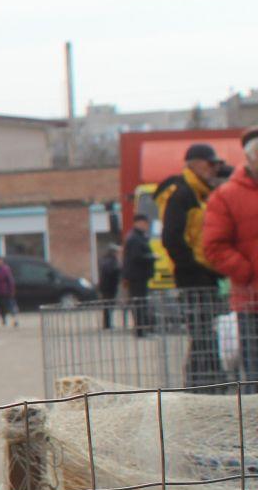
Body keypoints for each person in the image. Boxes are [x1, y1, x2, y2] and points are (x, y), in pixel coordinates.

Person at [159, 142, 227, 388]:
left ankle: (206, 380)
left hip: (205, 273)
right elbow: (171, 238)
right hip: (193, 276)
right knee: (201, 330)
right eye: (211, 164)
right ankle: (204, 382)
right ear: (195, 164)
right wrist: (192, 267)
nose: (214, 169)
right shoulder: (183, 194)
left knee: (204, 330)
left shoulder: (200, 192)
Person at [201, 126, 258, 391]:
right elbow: (214, 246)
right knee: (255, 376)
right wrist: (247, 272)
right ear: (250, 157)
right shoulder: (226, 196)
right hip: (251, 302)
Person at [121, 209, 156, 337]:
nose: (147, 226)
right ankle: (140, 331)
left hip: (139, 276)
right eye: (145, 224)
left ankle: (142, 329)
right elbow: (136, 257)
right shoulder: (135, 239)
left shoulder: (138, 237)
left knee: (140, 303)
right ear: (139, 223)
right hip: (137, 276)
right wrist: (151, 257)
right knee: (139, 303)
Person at [97, 238, 121, 329]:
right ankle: (107, 324)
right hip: (109, 286)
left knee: (108, 306)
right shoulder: (111, 260)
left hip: (107, 286)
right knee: (108, 305)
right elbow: (112, 271)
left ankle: (107, 323)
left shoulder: (105, 259)